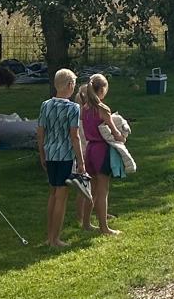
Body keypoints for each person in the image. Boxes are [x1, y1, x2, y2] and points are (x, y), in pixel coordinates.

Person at [37, 68, 83, 248]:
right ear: (70, 85)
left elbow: (40, 132)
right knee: (61, 197)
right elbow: (75, 136)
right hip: (65, 155)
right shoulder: (73, 108)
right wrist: (81, 161)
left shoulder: (45, 105)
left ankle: (49, 236)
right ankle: (55, 239)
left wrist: (42, 153)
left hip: (50, 153)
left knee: (53, 194)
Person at [77, 73, 120, 236]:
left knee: (92, 190)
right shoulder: (102, 109)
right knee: (103, 191)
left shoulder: (85, 109)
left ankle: (86, 223)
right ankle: (104, 227)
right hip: (101, 150)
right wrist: (122, 136)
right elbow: (115, 133)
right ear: (102, 90)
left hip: (89, 150)